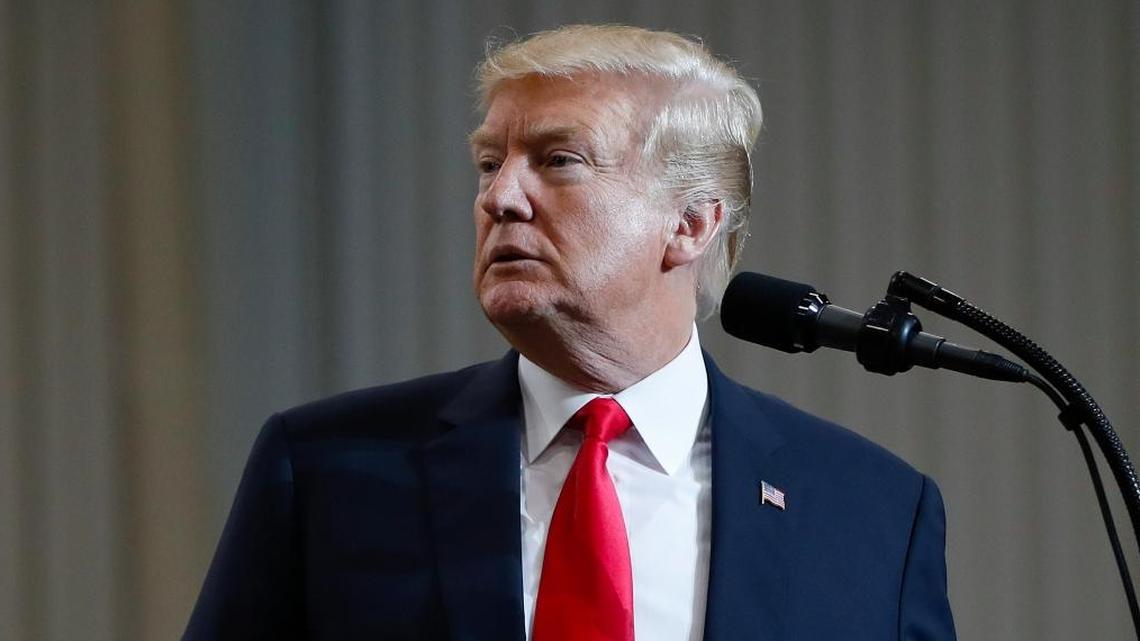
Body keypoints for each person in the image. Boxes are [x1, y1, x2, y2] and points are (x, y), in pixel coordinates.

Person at [183, 24, 956, 641]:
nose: (500, 197)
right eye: (490, 163)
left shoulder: (872, 509)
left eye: (558, 160)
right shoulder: (327, 469)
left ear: (689, 223)